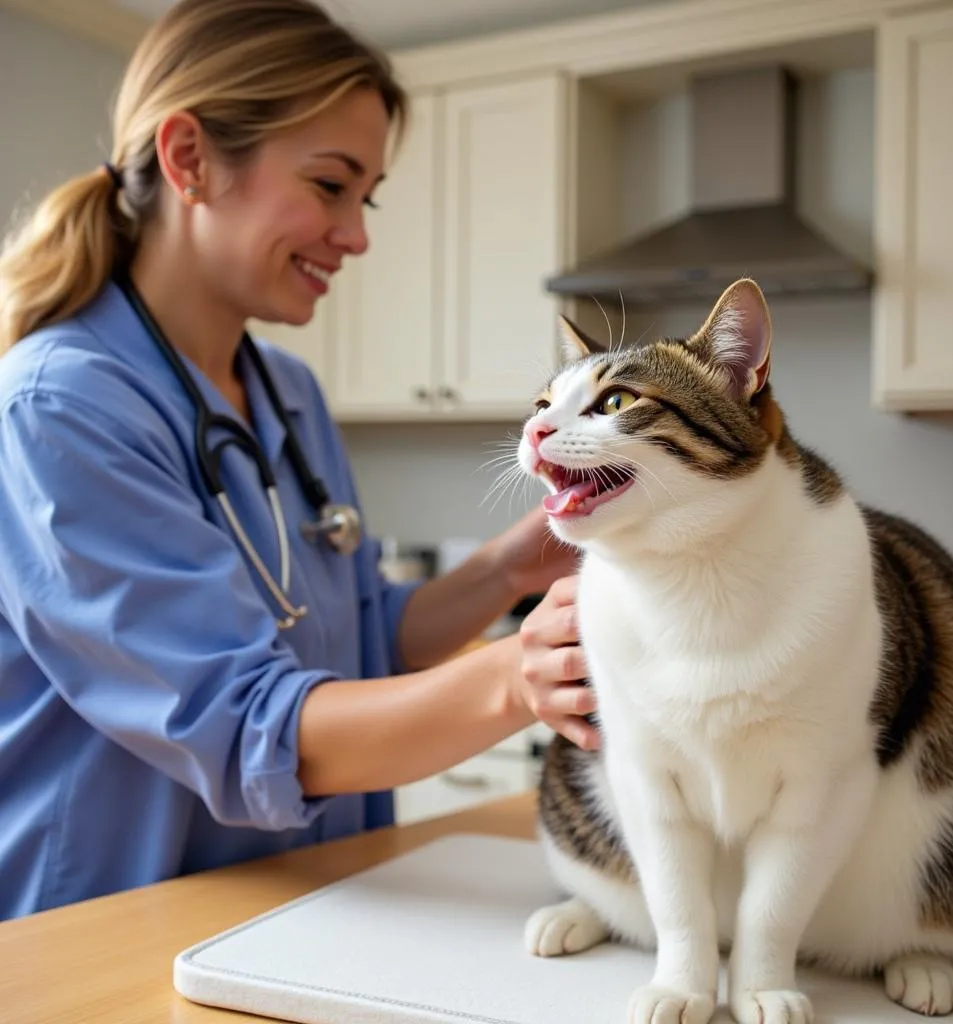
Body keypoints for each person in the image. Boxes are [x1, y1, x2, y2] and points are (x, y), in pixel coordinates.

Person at [0, 0, 596, 922]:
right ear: (189, 158)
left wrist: (510, 565)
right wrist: (522, 672)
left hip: (304, 902)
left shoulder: (285, 392)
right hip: (112, 923)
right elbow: (246, 725)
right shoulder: (59, 407)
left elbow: (354, 639)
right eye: (330, 186)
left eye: (367, 198)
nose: (356, 235)